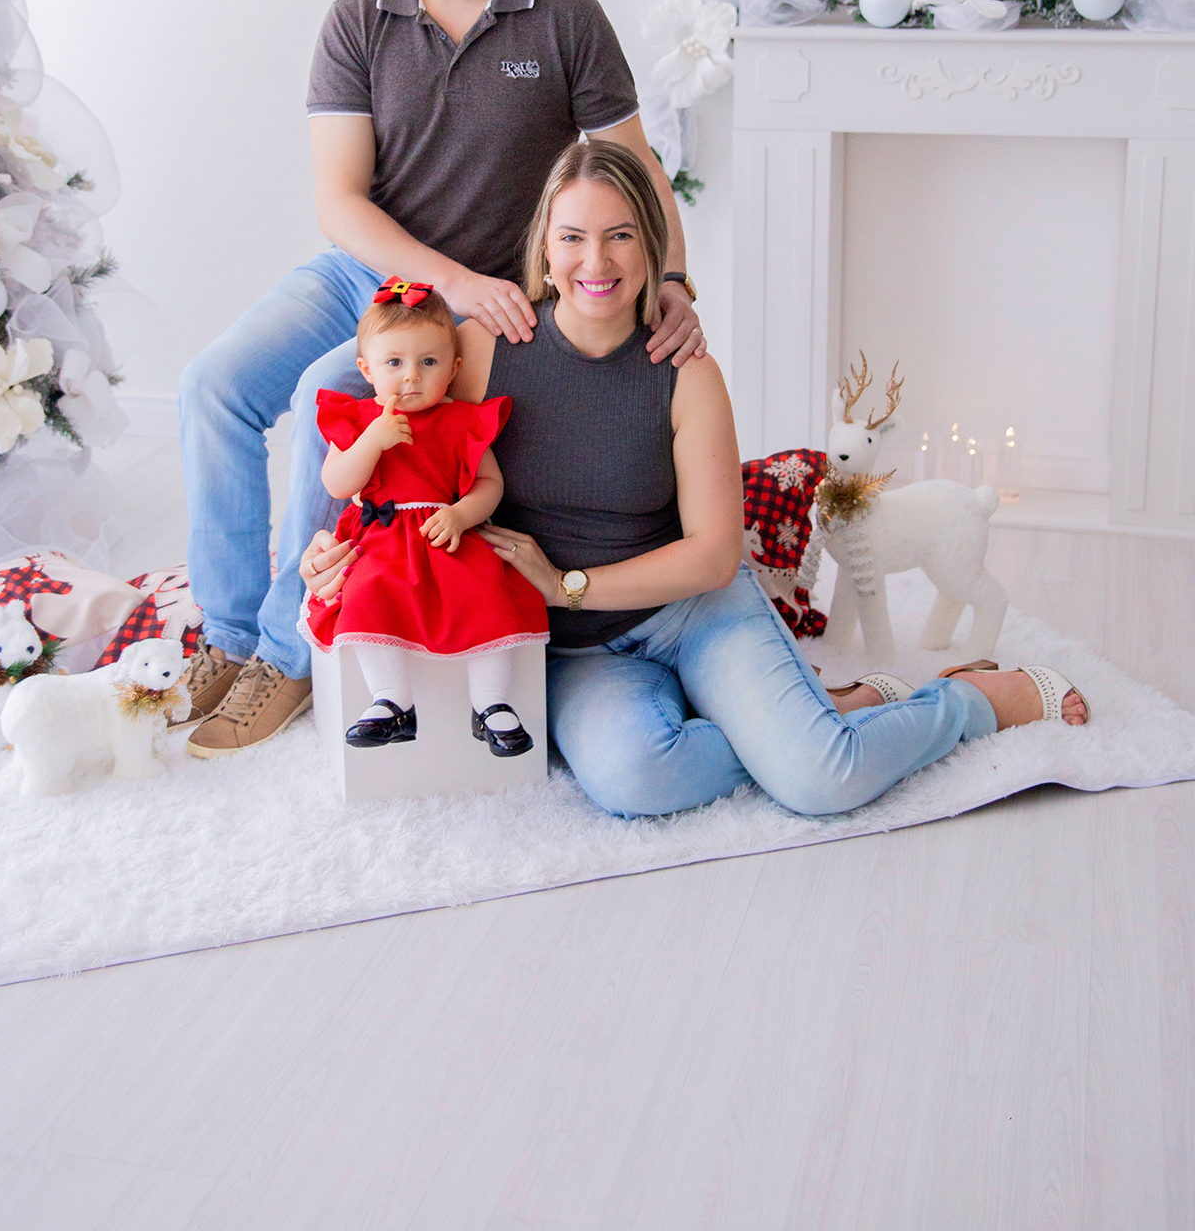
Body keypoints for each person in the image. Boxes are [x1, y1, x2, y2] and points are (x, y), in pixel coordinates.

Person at [301, 141, 1089, 821]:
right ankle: (826, 710)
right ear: (544, 245)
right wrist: (332, 552)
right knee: (632, 778)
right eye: (572, 237)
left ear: (651, 247)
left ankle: (975, 703)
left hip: (694, 611)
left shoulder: (684, 368)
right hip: (579, 650)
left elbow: (715, 556)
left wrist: (563, 582)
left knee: (821, 778)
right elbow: (395, 454)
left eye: (619, 237)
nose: (595, 262)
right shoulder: (478, 351)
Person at [178, 0, 704, 757]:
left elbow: (635, 168)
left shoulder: (567, 18)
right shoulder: (355, 21)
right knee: (212, 385)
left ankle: (288, 658)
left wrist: (672, 280)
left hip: (486, 302)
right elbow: (340, 202)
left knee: (326, 390)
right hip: (366, 274)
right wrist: (445, 277)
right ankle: (224, 636)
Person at [304, 275, 547, 756]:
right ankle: (391, 701)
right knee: (367, 589)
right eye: (394, 362)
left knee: (487, 590)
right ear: (366, 369)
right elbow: (337, 484)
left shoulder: (460, 419)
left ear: (454, 368)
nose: (411, 376)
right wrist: (372, 440)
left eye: (428, 362)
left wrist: (460, 515)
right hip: (380, 538)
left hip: (445, 533)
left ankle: (492, 705)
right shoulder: (354, 421)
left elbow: (489, 484)